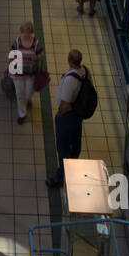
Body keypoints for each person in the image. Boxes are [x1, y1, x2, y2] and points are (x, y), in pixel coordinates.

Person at [47, 49, 88, 188]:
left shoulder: (71, 80)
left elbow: (65, 104)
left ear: (68, 60)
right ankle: (72, 168)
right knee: (74, 145)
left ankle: (60, 178)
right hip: (77, 117)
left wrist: (60, 114)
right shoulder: (85, 71)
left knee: (63, 149)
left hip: (68, 119)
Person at [8, 20, 45, 124]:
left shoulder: (36, 43)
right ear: (22, 31)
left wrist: (37, 57)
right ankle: (22, 114)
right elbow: (11, 54)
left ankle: (27, 100)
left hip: (31, 74)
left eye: (28, 31)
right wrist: (10, 70)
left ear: (31, 32)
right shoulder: (17, 42)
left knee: (28, 93)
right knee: (20, 94)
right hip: (18, 73)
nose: (26, 34)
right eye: (24, 31)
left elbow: (41, 54)